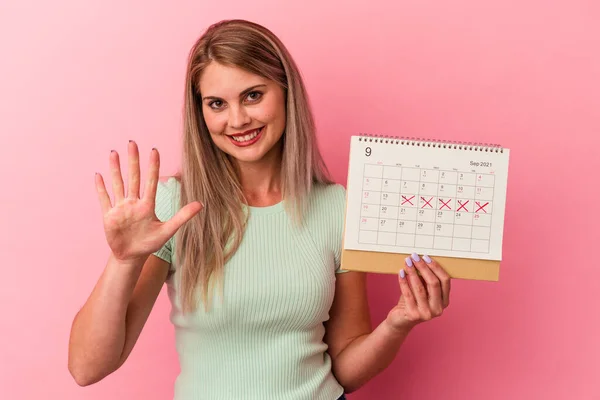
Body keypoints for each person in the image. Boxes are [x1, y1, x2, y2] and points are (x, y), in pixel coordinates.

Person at [67, 19, 452, 400]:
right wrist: (123, 262)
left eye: (252, 95)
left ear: (285, 92)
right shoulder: (175, 207)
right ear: (200, 112)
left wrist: (398, 322)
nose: (237, 120)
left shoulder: (337, 207)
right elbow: (87, 368)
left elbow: (345, 370)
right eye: (217, 103)